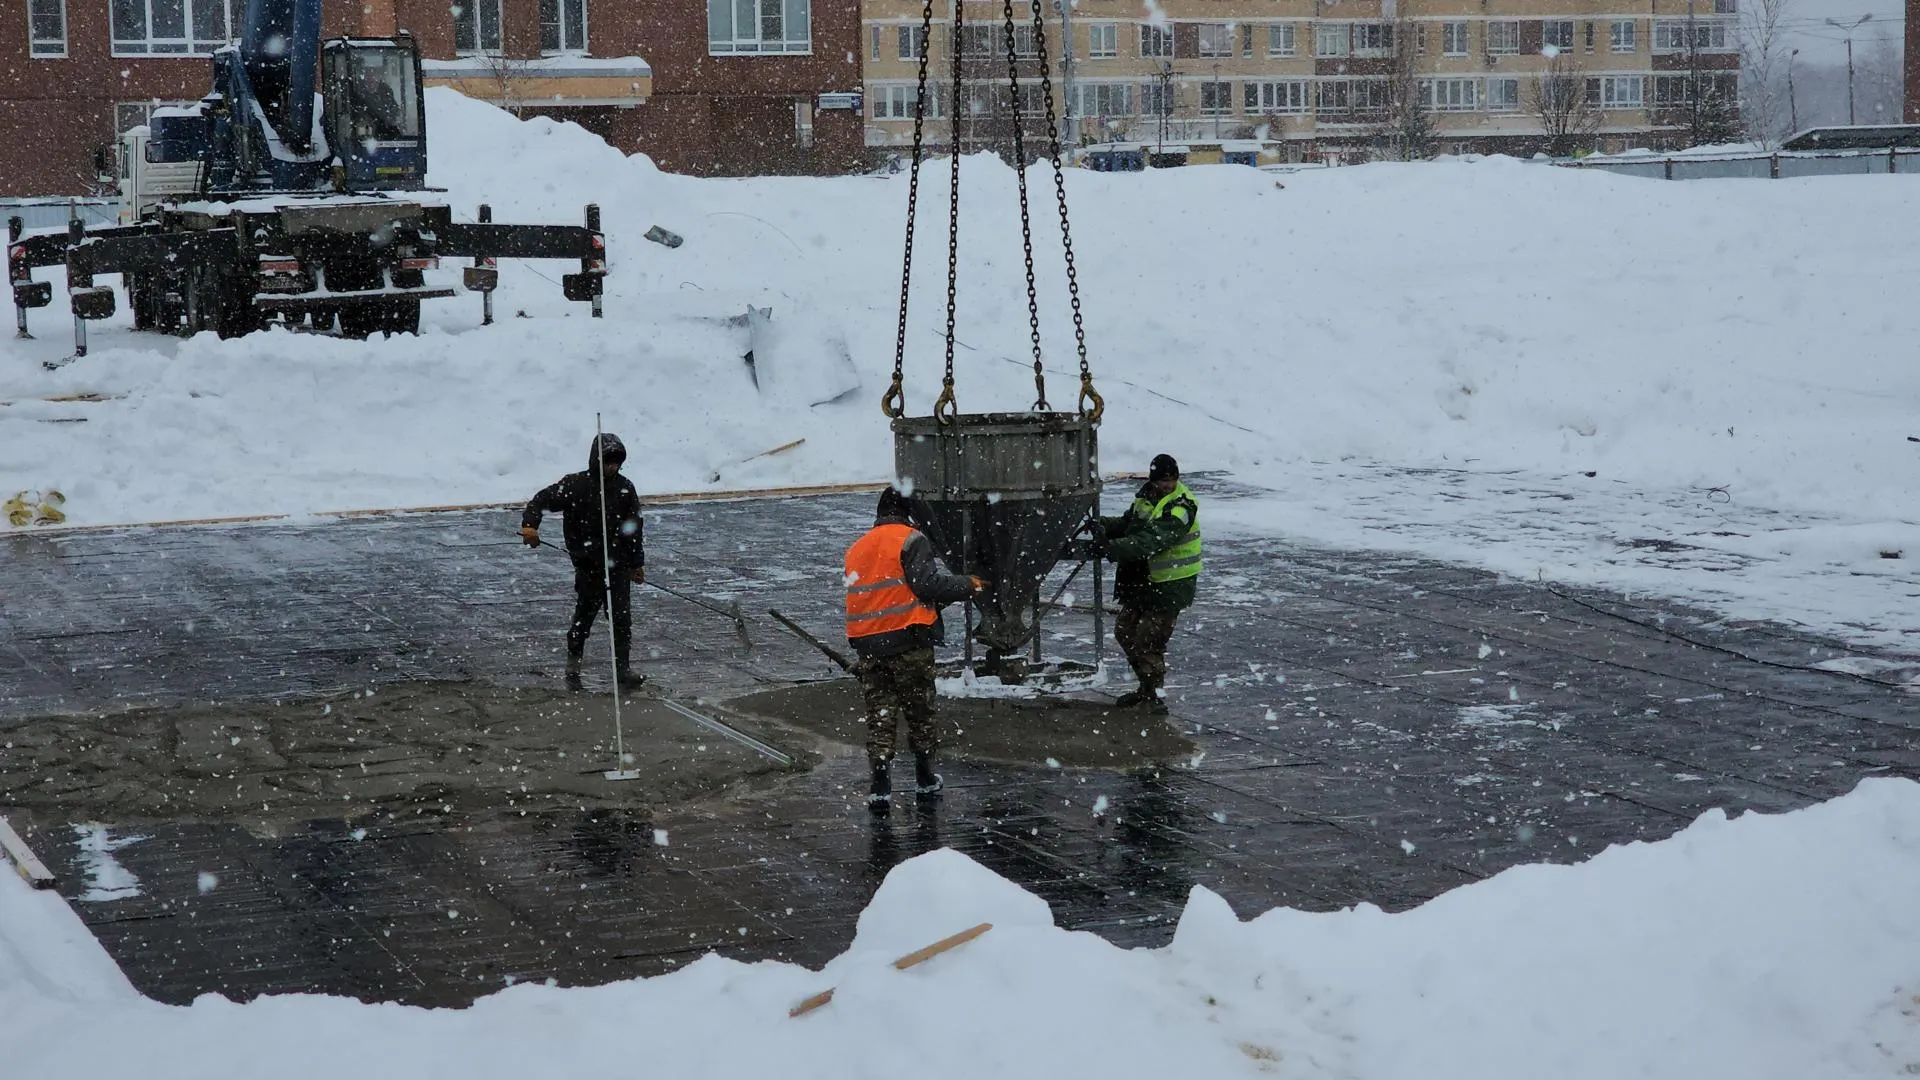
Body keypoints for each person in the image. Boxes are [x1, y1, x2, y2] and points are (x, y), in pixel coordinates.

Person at [844, 486, 988, 812]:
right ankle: (924, 779)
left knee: (881, 716)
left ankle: (880, 785)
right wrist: (967, 585)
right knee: (920, 713)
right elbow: (925, 584)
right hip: (908, 641)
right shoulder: (911, 539)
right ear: (909, 513)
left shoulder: (857, 548)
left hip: (868, 645)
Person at [520, 434, 646, 691]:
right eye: (607, 461)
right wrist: (530, 525)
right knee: (584, 617)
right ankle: (573, 663)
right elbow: (541, 500)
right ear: (596, 460)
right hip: (588, 566)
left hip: (619, 566)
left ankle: (622, 669)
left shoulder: (625, 488)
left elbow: (634, 528)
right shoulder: (576, 485)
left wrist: (636, 562)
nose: (612, 467)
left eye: (616, 462)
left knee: (621, 619)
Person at [1088, 454, 1201, 714]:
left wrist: (1111, 548)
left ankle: (1153, 697)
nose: (1168, 485)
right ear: (1152, 481)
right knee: (1125, 631)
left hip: (1170, 584)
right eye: (1163, 481)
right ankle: (1145, 688)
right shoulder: (1145, 497)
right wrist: (1102, 525)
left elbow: (1152, 540)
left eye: (1172, 480)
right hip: (1144, 581)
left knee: (1149, 642)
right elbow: (1130, 525)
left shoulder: (1182, 507)